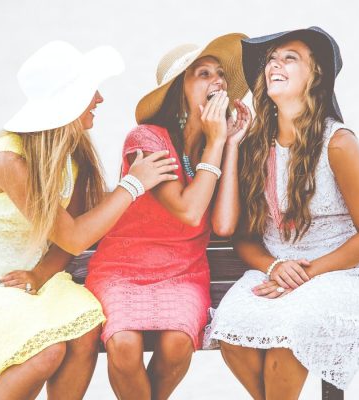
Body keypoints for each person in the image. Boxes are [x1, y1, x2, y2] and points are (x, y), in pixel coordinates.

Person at [0, 40, 178, 399]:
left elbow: (72, 234)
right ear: (69, 101)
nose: (99, 99)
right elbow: (74, 237)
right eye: (90, 91)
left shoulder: (74, 154)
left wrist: (39, 273)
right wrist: (132, 184)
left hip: (38, 275)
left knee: (83, 334)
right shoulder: (9, 161)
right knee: (46, 350)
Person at [205, 27, 359, 399]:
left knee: (291, 336)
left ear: (315, 75)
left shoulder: (337, 144)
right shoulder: (256, 146)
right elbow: (241, 235)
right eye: (272, 59)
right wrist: (274, 267)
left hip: (340, 272)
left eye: (290, 58)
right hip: (276, 270)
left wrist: (306, 274)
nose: (276, 64)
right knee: (230, 329)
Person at [84, 33, 250, 400]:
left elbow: (222, 225)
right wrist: (215, 143)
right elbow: (190, 211)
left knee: (178, 344)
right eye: (203, 74)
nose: (217, 82)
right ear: (179, 90)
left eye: (219, 74)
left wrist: (230, 144)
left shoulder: (218, 143)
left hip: (183, 272)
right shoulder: (145, 139)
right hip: (123, 270)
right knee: (123, 343)